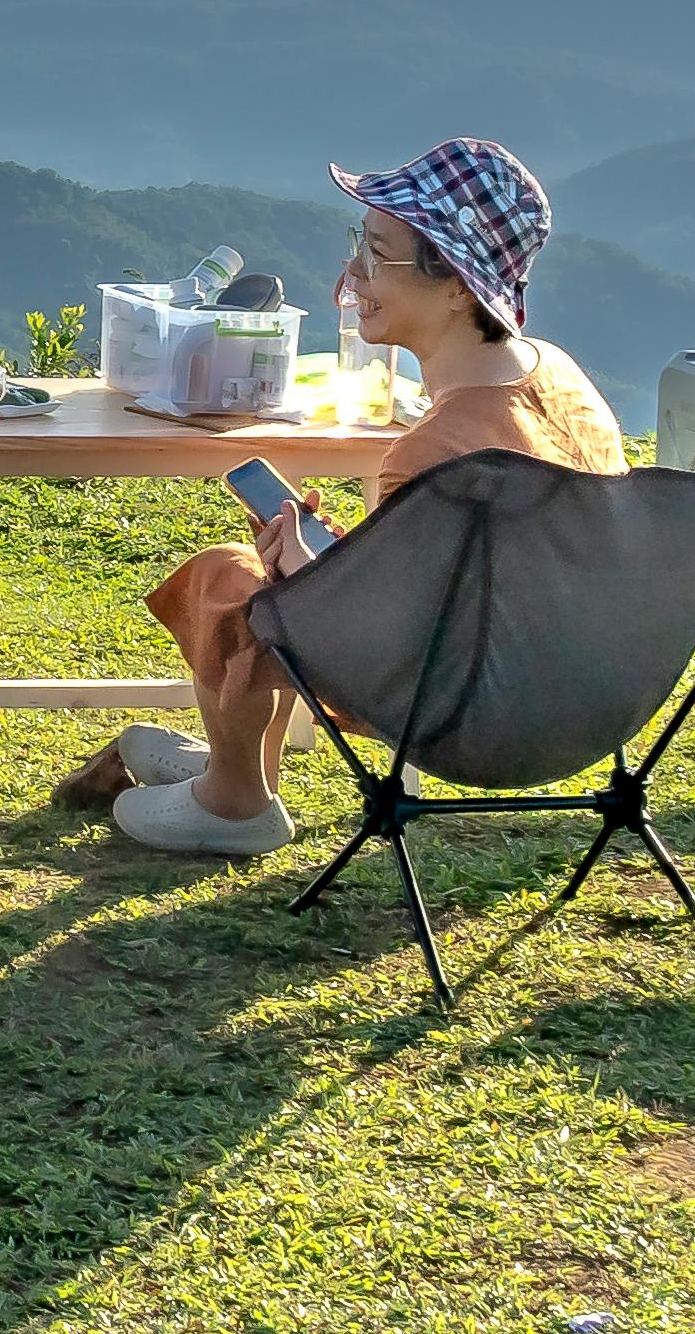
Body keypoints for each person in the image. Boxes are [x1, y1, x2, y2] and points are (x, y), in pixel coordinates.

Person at [86, 135, 629, 855]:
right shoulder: (559, 375)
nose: (350, 276)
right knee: (290, 567)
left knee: (229, 579)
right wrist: (345, 562)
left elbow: (388, 646)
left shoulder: (434, 454)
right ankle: (229, 764)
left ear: (459, 284)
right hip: (580, 698)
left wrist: (306, 576)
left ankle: (234, 802)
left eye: (378, 254)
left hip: (463, 717)